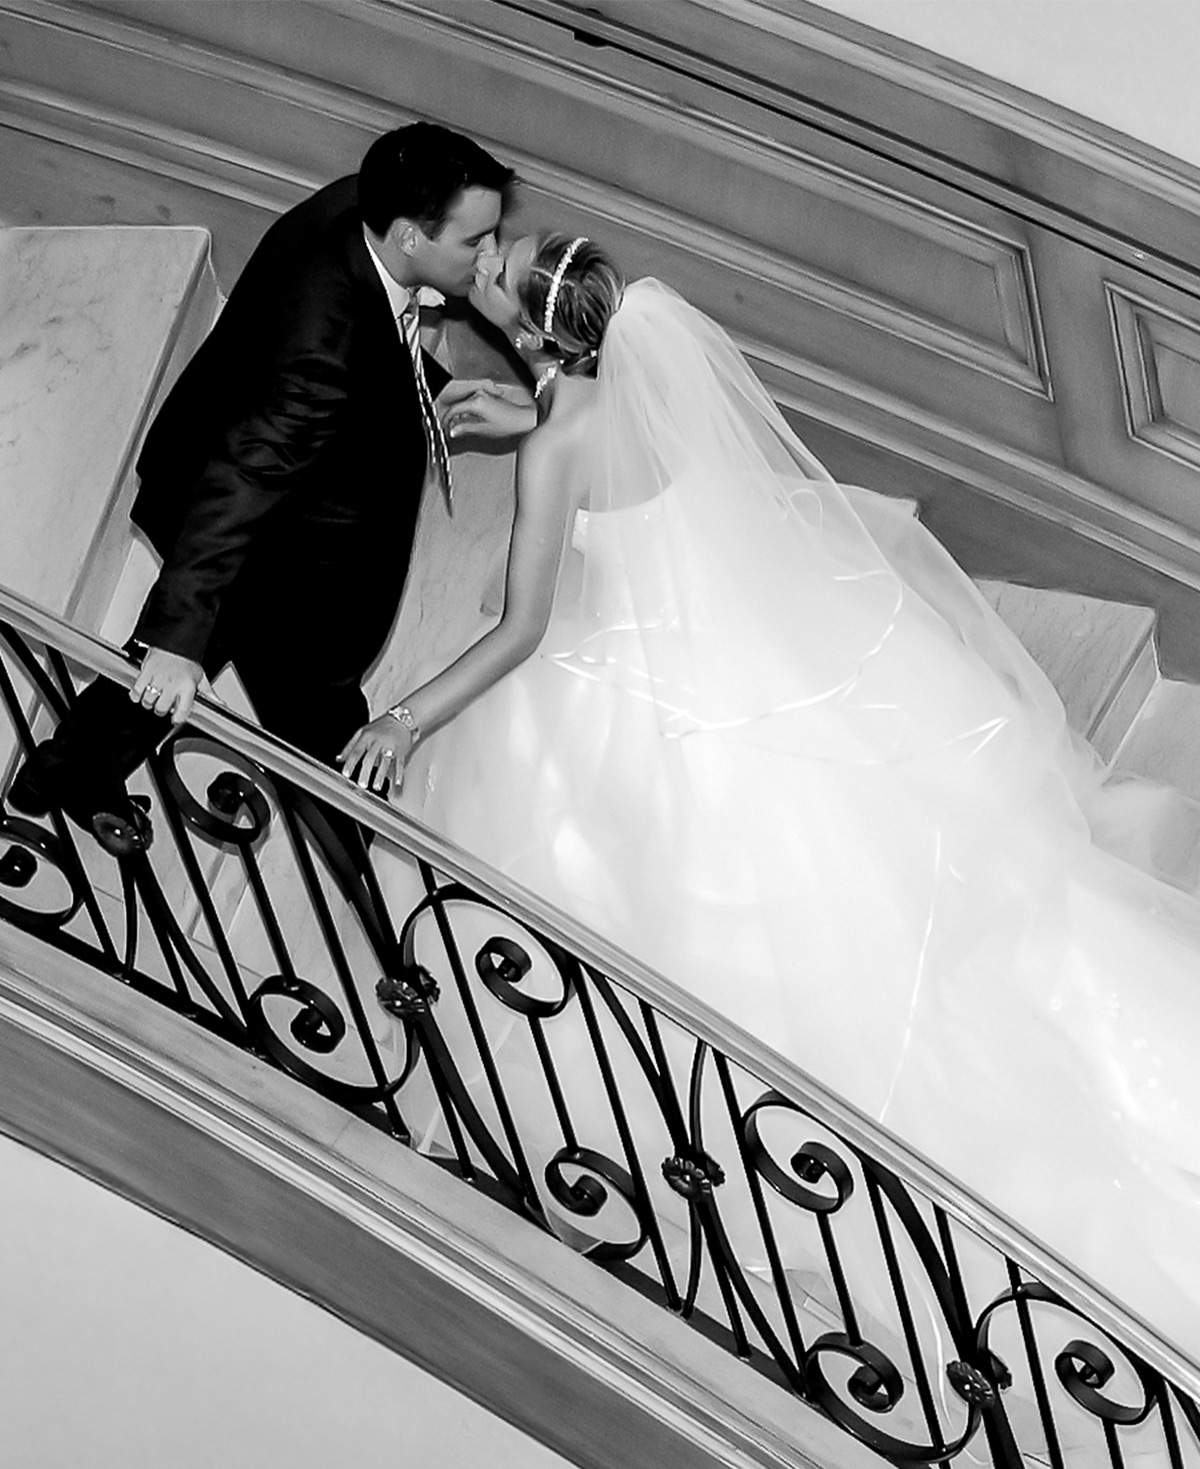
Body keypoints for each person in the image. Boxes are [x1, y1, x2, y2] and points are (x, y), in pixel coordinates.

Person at [343, 231, 1200, 1354]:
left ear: (537, 333)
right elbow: (614, 456)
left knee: (641, 893)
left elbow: (523, 627)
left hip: (646, 696)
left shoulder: (562, 443)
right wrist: (534, 414)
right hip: (737, 668)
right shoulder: (651, 406)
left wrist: (406, 718)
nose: (480, 279)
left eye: (496, 280)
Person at [8, 120, 515, 857]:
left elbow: (345, 353)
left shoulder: (358, 206)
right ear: (410, 236)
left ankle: (56, 779)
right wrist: (180, 640)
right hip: (275, 553)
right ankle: (373, 920)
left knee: (158, 675)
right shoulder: (322, 344)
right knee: (328, 743)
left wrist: (417, 389)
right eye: (476, 242)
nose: (490, 257)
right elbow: (249, 469)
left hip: (260, 481)